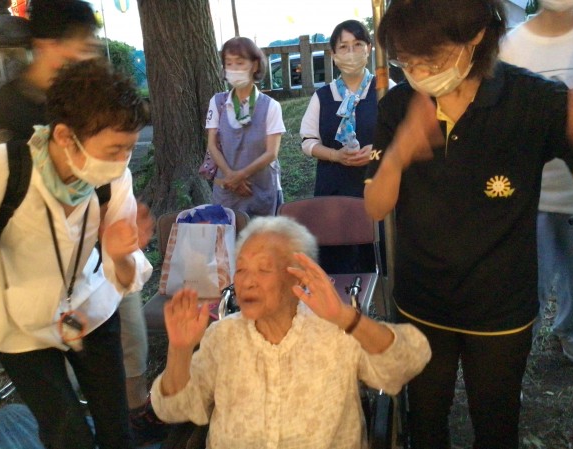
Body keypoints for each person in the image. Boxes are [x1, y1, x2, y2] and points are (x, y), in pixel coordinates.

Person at [363, 0, 573, 447]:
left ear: (477, 35)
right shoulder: (398, 106)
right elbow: (375, 206)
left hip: (501, 306)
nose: (419, 72)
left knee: (497, 423)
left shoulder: (536, 101)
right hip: (421, 301)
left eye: (432, 59)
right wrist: (400, 153)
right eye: (406, 61)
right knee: (426, 420)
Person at [0, 0, 163, 444]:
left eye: (129, 148)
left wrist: (120, 255)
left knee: (117, 429)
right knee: (67, 434)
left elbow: (125, 278)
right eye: (114, 150)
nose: (123, 162)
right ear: (64, 136)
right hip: (21, 324)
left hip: (90, 309)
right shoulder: (1, 171)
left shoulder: (112, 179)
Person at [150, 215, 431, 449]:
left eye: (264, 270)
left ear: (297, 276)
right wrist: (180, 350)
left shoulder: (336, 331)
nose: (247, 282)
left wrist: (347, 317)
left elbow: (408, 362)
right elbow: (175, 409)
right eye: (242, 269)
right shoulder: (222, 336)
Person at [499, 0, 573, 363]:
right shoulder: (510, 46)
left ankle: (572, 329)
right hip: (528, 193)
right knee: (526, 280)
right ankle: (516, 347)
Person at [299, 20, 392, 273]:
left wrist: (377, 150)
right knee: (337, 262)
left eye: (358, 44)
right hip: (334, 190)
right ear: (333, 54)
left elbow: (400, 139)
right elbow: (308, 142)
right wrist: (335, 155)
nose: (351, 52)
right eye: (343, 47)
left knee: (381, 258)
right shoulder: (322, 96)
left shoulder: (385, 90)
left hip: (377, 188)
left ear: (369, 48)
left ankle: (380, 297)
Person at [206, 36, 285, 217]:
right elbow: (212, 145)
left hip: (261, 189)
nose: (234, 69)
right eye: (229, 63)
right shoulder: (217, 102)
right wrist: (231, 177)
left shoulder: (271, 106)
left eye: (240, 63)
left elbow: (271, 153)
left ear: (255, 65)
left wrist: (240, 175)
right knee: (227, 232)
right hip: (226, 190)